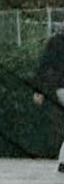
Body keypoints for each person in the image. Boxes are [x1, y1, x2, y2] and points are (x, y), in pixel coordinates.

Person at [35, 27, 64, 175]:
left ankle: (63, 161)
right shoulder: (56, 42)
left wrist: (39, 90)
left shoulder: (55, 41)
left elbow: (44, 66)